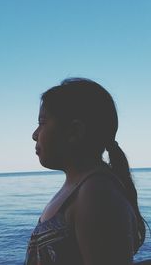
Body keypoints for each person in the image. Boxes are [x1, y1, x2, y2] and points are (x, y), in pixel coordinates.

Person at [24, 78, 150, 265]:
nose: (34, 134)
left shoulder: (96, 192)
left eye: (42, 122)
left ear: (74, 131)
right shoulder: (78, 187)